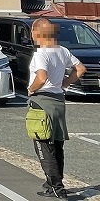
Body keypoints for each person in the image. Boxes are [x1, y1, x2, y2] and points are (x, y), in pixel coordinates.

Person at [27, 18, 86, 199]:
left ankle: (56, 187)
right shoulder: (63, 51)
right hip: (59, 101)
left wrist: (31, 89)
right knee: (57, 144)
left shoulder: (41, 54)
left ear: (38, 34)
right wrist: (65, 83)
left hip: (42, 102)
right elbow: (81, 69)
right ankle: (52, 183)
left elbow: (42, 77)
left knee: (43, 144)